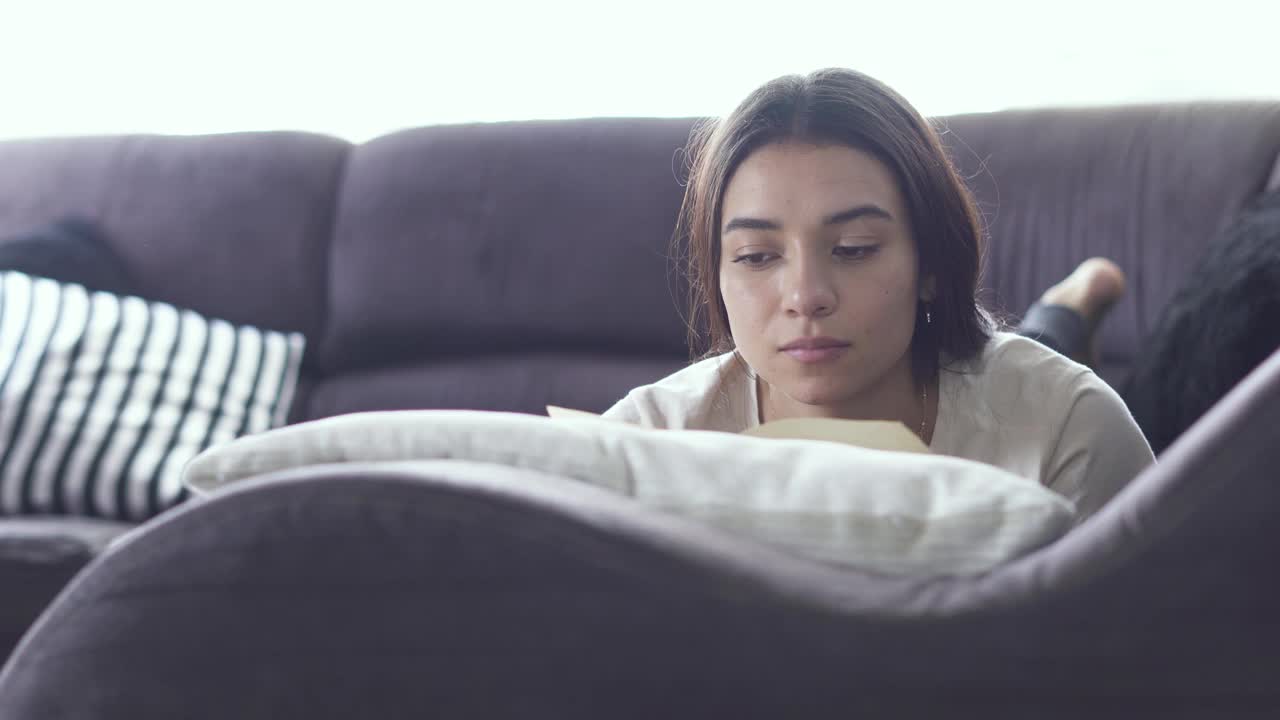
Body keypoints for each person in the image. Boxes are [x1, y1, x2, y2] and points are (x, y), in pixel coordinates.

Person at [602, 68, 1155, 523]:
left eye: (854, 248)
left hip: (994, 371)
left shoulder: (1066, 428)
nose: (805, 297)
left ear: (931, 262)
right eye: (756, 256)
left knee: (1037, 346)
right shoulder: (648, 440)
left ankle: (1073, 306)